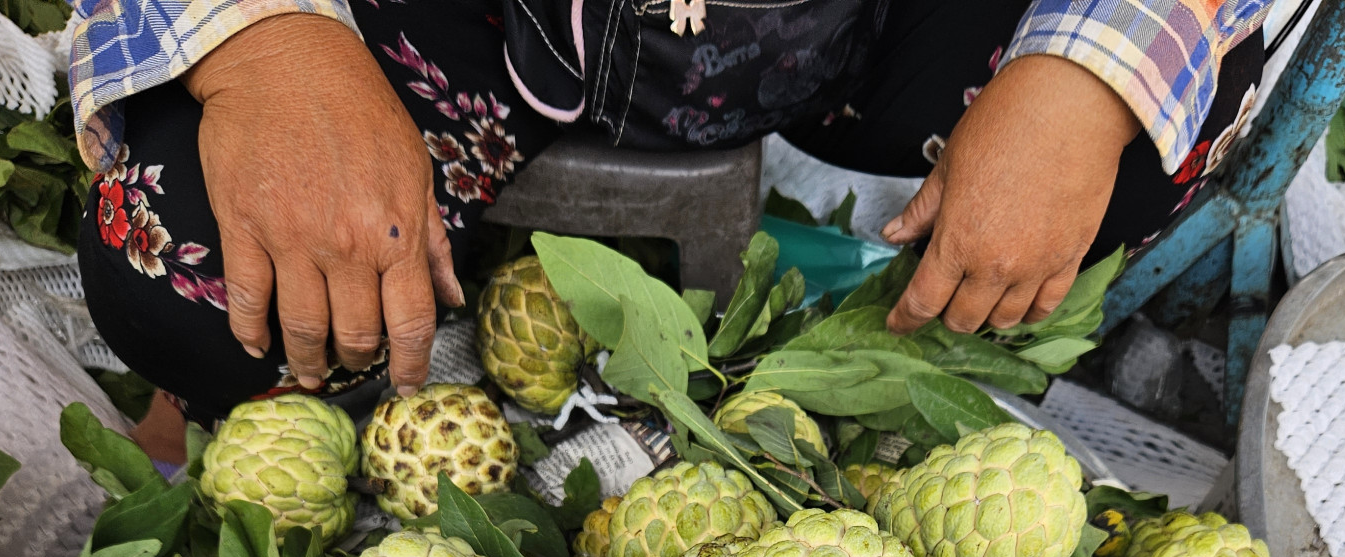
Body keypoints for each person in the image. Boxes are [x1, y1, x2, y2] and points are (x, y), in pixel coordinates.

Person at [72, 0, 1276, 421]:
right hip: (471, 24)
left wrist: (1088, 68)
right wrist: (268, 50)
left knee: (1134, 141)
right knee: (196, 276)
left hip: (865, 29)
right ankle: (232, 400)